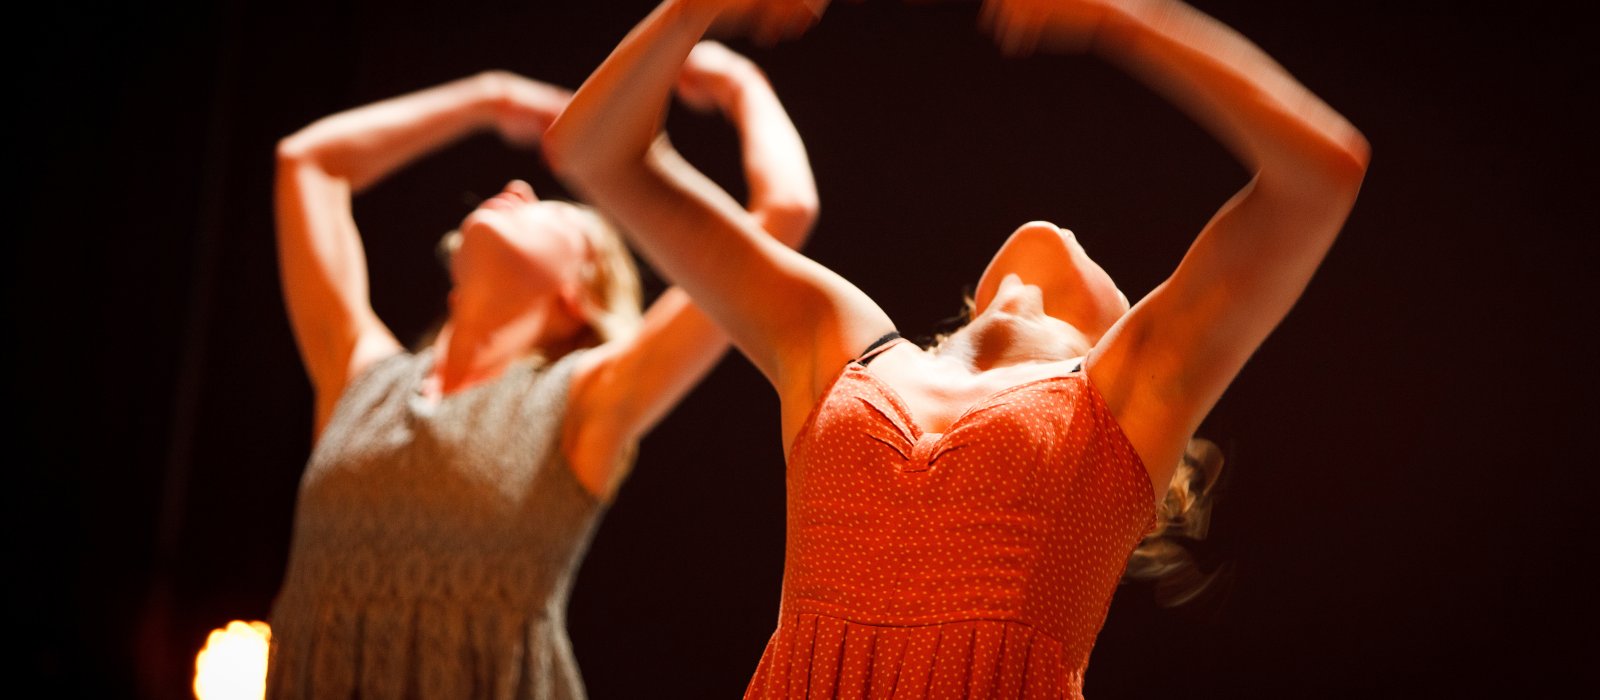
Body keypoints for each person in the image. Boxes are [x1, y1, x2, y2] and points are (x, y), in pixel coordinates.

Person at [546, 0, 1369, 696]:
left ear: (1120, 328)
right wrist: (696, 8)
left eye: (1101, 269)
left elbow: (1317, 175)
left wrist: (1128, 19)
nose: (1062, 239)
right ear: (964, 310)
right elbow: (594, 151)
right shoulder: (844, 349)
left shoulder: (1122, 398)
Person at [265, 42, 817, 699]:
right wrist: (487, 94)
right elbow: (308, 163)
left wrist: (741, 83)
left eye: (548, 209)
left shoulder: (583, 398)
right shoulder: (362, 378)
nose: (518, 185)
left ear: (576, 296)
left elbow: (783, 212)